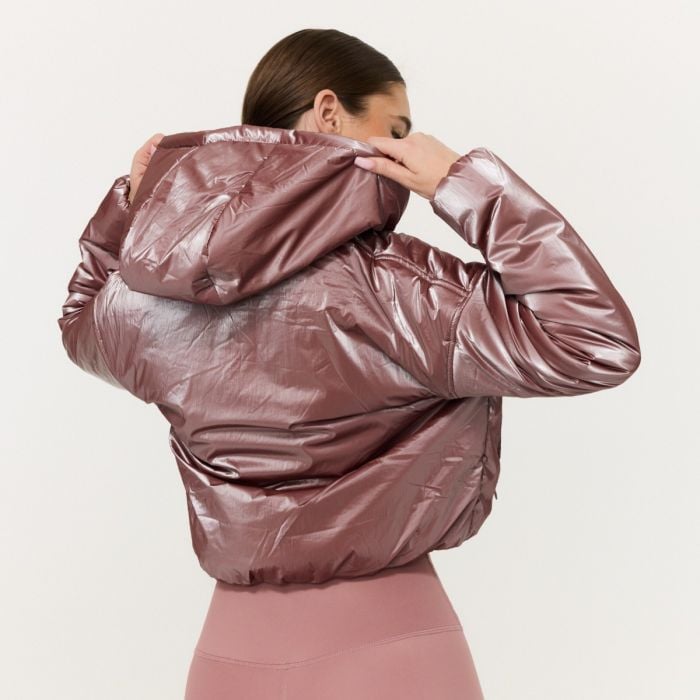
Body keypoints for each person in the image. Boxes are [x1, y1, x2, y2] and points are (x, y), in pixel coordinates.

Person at [58, 28, 641, 700]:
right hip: (390, 648)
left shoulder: (146, 298)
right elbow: (594, 341)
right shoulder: (394, 287)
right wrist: (464, 184)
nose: (407, 148)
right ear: (330, 113)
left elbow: (80, 325)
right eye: (396, 130)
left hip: (229, 658)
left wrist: (130, 206)